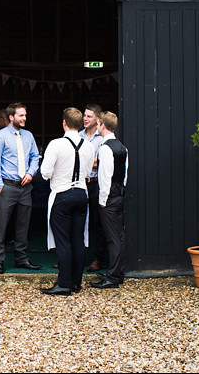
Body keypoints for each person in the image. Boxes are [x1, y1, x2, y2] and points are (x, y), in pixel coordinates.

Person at [39, 107, 96, 295]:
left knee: (63, 241)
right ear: (79, 124)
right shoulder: (88, 145)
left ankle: (63, 283)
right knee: (78, 239)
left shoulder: (56, 144)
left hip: (62, 194)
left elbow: (45, 173)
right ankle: (76, 283)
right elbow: (88, 172)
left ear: (64, 123)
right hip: (81, 194)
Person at [0, 102, 41, 273]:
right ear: (11, 117)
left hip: (25, 186)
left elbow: (35, 157)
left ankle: (21, 259)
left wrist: (31, 173)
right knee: (1, 225)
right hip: (8, 186)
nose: (24, 118)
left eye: (25, 115)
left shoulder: (28, 136)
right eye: (21, 115)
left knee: (23, 225)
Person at [90, 111, 129, 289]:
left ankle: (113, 277)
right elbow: (125, 175)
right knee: (118, 236)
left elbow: (105, 176)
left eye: (97, 124)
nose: (96, 127)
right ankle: (116, 272)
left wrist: (103, 200)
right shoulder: (122, 147)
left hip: (109, 198)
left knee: (113, 238)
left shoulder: (105, 148)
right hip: (119, 194)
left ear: (103, 126)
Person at [80, 104, 107, 272]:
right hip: (80, 182)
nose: (85, 118)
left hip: (96, 182)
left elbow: (103, 161)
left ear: (97, 119)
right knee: (77, 220)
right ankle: (74, 258)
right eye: (84, 115)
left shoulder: (102, 138)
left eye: (89, 116)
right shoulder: (77, 135)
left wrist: (83, 160)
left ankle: (98, 259)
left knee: (98, 222)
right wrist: (92, 161)